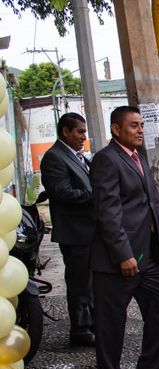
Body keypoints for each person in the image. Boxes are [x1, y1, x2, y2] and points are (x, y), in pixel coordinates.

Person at [90, 106, 159, 369]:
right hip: (119, 261)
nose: (140, 130)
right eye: (133, 126)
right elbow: (108, 213)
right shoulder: (106, 159)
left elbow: (153, 202)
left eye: (141, 125)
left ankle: (151, 365)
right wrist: (123, 255)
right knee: (111, 322)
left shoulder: (138, 157)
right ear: (116, 129)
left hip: (147, 255)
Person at [40, 113, 95, 347]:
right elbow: (61, 192)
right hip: (75, 232)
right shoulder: (55, 157)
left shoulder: (77, 156)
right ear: (66, 131)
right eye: (80, 132)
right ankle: (81, 329)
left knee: (90, 281)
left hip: (88, 230)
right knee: (79, 282)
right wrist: (95, 196)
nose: (84, 136)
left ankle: (91, 323)